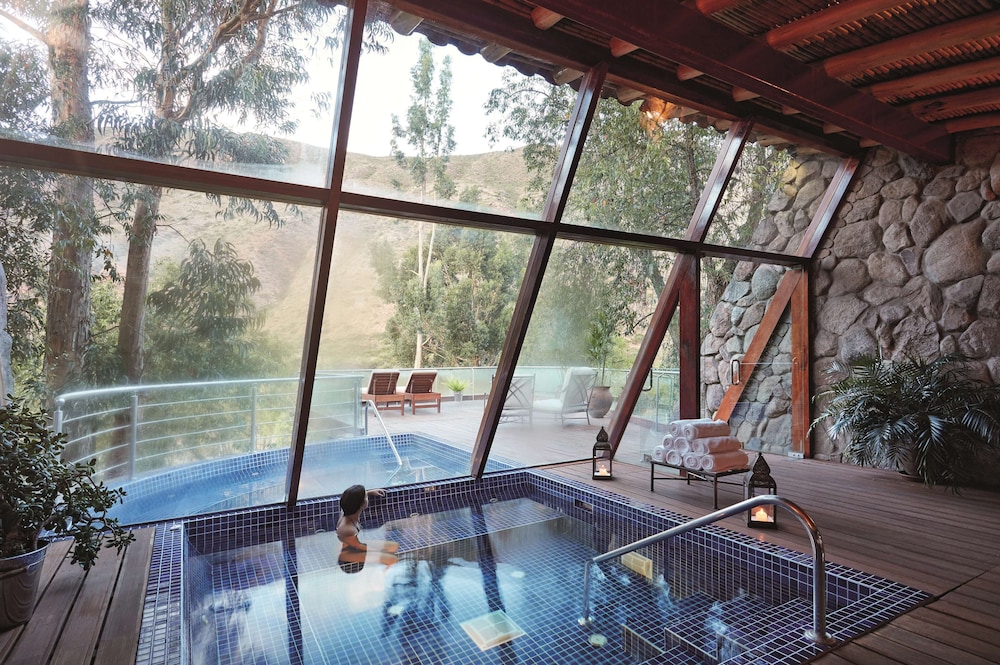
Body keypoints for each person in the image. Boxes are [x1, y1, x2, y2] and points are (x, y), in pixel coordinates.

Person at [336, 484, 399, 573]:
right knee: (392, 557)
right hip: (349, 553)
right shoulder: (348, 529)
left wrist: (370, 492)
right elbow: (359, 546)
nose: (367, 497)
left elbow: (352, 499)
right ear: (362, 504)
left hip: (353, 546)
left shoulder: (347, 509)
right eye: (365, 497)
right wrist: (380, 551)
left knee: (394, 546)